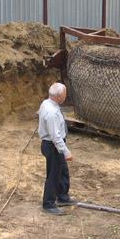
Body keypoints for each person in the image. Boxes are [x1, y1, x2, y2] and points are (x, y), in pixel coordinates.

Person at [38, 82, 77, 215]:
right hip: (53, 145)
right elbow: (55, 137)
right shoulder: (52, 112)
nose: (66, 96)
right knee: (53, 175)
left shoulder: (47, 103)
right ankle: (48, 204)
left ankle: (62, 197)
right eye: (64, 94)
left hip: (53, 144)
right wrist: (65, 151)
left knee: (62, 171)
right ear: (59, 96)